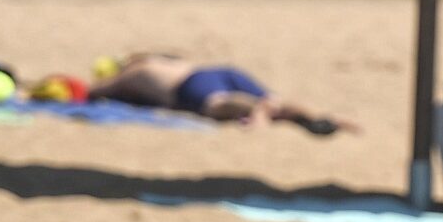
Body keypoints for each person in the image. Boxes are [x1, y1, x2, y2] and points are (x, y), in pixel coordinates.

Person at [92, 52, 352, 135]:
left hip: (189, 84)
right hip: (222, 72)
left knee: (218, 105)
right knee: (277, 104)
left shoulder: (134, 73)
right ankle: (319, 121)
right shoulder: (163, 60)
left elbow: (94, 91)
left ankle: (254, 109)